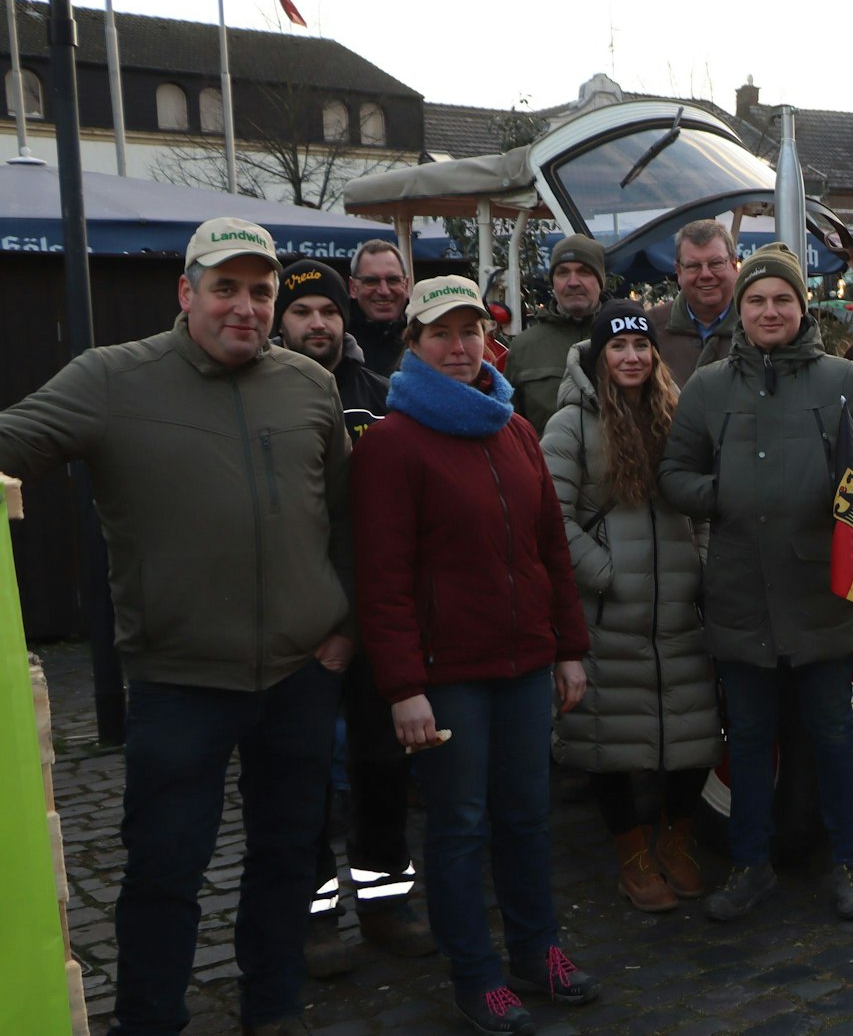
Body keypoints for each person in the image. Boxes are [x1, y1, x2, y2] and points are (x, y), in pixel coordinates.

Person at [0, 218, 352, 1036]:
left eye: (260, 291)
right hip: (180, 683)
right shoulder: (112, 379)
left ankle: (272, 1008)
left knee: (287, 858)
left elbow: (343, 515)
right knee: (164, 872)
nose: (245, 307)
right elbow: (10, 444)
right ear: (185, 292)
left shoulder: (309, 385)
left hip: (300, 674)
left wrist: (345, 631)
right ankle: (150, 1022)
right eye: (224, 287)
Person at [353, 275, 599, 1034]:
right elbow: (381, 578)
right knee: (459, 826)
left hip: (525, 663)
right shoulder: (393, 444)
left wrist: (568, 648)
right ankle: (477, 973)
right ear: (414, 345)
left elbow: (549, 550)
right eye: (440, 334)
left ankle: (537, 950)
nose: (458, 348)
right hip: (447, 675)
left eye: (469, 332)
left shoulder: (513, 428)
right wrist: (403, 687)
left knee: (526, 817)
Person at [661, 243, 853, 923]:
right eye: (757, 300)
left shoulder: (842, 380)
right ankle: (751, 864)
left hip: (822, 590)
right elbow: (674, 474)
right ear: (740, 311)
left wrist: (845, 494)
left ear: (802, 308)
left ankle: (852, 862)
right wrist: (727, 492)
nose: (770, 310)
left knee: (833, 733)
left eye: (782, 299)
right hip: (740, 588)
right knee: (746, 737)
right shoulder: (709, 388)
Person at [271, 258, 435, 976]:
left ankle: (384, 902)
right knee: (300, 780)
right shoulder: (263, 398)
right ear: (282, 320)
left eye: (329, 313)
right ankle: (311, 920)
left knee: (381, 772)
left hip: (369, 628)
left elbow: (393, 523)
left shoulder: (380, 397)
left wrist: (359, 628)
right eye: (303, 312)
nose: (318, 324)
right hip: (290, 635)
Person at [541, 302, 720, 912]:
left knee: (692, 733)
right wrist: (608, 575)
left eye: (641, 346)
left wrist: (695, 567)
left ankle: (676, 839)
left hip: (677, 612)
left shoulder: (678, 415)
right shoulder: (570, 425)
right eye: (618, 348)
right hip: (609, 614)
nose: (632, 357)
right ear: (598, 356)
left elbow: (697, 506)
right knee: (610, 741)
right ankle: (633, 854)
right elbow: (551, 520)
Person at [507, 234, 608, 434]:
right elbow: (511, 431)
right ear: (552, 282)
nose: (573, 282)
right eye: (562, 273)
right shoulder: (524, 348)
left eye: (584, 272)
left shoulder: (626, 337)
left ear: (601, 280)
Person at [646, 219, 740, 386]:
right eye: (694, 266)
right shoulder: (650, 330)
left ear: (734, 265)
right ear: (679, 271)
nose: (705, 275)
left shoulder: (757, 326)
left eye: (716, 263)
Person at [348, 237, 412, 376]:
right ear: (353, 288)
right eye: (371, 281)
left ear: (406, 285)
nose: (384, 291)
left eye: (393, 280)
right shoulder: (337, 338)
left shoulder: (423, 333)